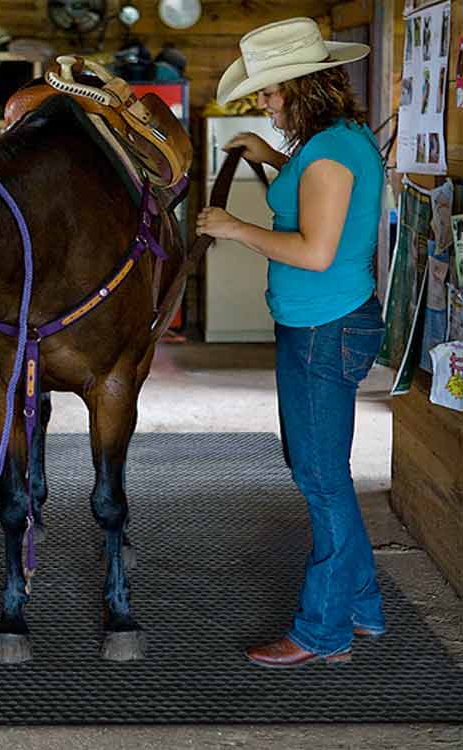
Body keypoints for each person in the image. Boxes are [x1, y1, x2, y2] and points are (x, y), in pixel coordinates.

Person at [197, 17, 386, 668]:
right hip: (325, 323)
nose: (264, 102)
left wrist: (235, 227)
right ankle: (362, 607)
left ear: (302, 86)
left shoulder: (329, 153)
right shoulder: (334, 142)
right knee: (324, 474)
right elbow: (313, 194)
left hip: (322, 330)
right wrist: (266, 155)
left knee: (321, 480)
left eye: (270, 92)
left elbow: (315, 248)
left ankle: (322, 632)